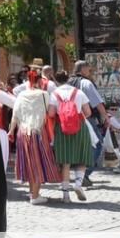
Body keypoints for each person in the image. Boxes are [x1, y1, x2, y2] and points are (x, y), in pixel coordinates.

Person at [7, 71, 58, 204]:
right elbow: (50, 112)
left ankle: (33, 193)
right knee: (37, 164)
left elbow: (15, 115)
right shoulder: (43, 94)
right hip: (38, 132)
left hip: (22, 133)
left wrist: (11, 130)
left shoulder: (21, 95)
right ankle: (35, 196)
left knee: (29, 163)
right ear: (39, 81)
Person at [48, 71, 94, 203]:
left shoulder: (55, 94)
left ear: (56, 80)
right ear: (68, 79)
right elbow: (88, 112)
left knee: (65, 162)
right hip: (79, 127)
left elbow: (51, 113)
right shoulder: (78, 92)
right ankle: (78, 184)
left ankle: (65, 196)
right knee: (81, 158)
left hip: (62, 128)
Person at [70, 61, 108, 187]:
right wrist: (105, 116)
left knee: (78, 147)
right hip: (85, 118)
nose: (90, 72)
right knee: (97, 144)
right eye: (89, 69)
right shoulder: (86, 83)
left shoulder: (68, 83)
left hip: (68, 120)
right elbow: (97, 102)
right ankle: (84, 174)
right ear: (83, 69)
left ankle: (74, 175)